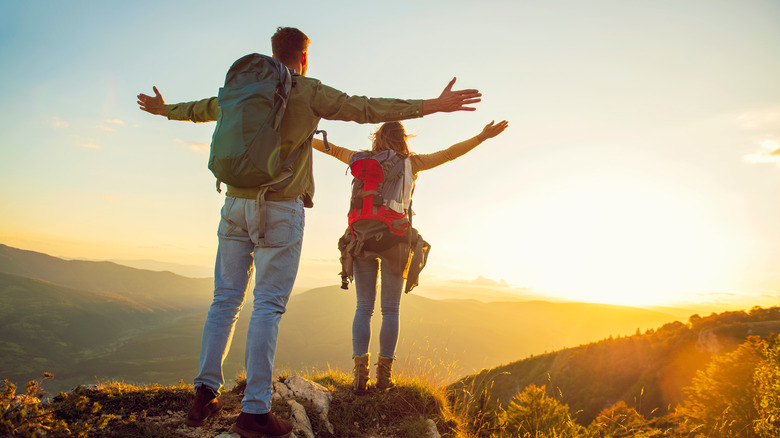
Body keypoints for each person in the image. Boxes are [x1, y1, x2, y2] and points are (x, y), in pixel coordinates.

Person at [136, 27, 483, 438]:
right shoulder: (306, 89)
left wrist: (164, 111)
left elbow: (202, 108)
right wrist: (431, 106)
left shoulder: (244, 91)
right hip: (280, 207)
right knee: (266, 305)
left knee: (224, 301)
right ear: (303, 57)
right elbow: (366, 107)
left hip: (233, 204)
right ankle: (255, 412)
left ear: (271, 53)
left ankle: (204, 394)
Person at [312, 119, 509, 393]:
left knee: (363, 308)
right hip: (395, 239)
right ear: (403, 138)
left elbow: (329, 149)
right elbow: (449, 153)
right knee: (390, 309)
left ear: (377, 137)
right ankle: (384, 378)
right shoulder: (411, 163)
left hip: (360, 239)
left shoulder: (358, 159)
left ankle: (359, 376)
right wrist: (481, 136)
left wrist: (300, 135)